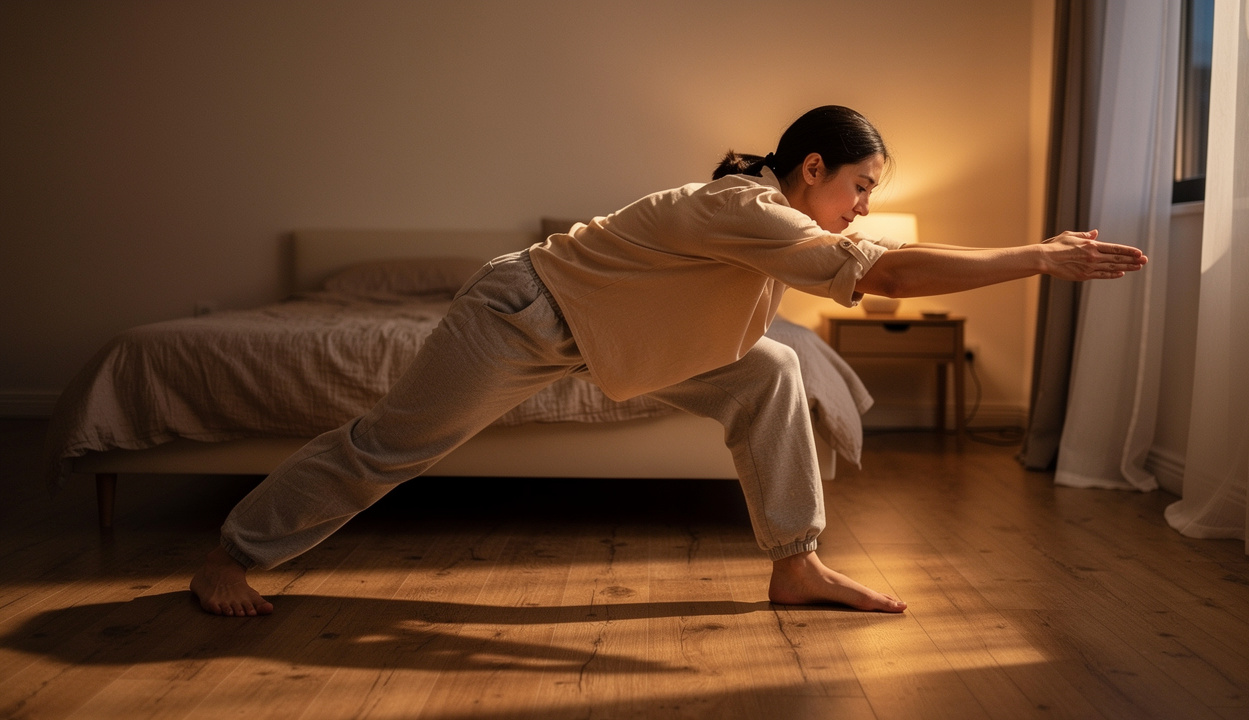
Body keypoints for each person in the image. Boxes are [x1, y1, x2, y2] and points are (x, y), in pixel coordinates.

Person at [190, 105, 1147, 617]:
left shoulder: (770, 222)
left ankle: (795, 565)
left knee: (771, 370)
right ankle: (235, 555)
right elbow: (884, 275)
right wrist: (1036, 256)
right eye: (859, 185)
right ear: (810, 167)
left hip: (622, 337)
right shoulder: (742, 207)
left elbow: (865, 268)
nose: (862, 205)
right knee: (392, 445)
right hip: (524, 314)